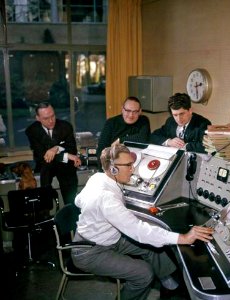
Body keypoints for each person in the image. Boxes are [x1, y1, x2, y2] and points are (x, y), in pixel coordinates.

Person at [71, 144, 214, 300]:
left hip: (108, 239)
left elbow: (78, 201)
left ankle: (170, 285)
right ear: (113, 169)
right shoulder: (106, 197)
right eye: (128, 165)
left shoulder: (97, 177)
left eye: (132, 164)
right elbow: (139, 231)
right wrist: (184, 238)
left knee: (152, 249)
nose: (133, 169)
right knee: (143, 273)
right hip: (89, 251)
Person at [25, 102, 81, 205]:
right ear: (38, 118)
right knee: (46, 171)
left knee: (70, 190)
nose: (51, 121)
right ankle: (46, 209)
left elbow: (72, 150)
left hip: (65, 168)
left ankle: (71, 210)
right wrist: (66, 155)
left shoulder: (66, 126)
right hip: (46, 166)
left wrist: (56, 148)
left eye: (53, 116)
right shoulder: (32, 131)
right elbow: (44, 155)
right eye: (46, 118)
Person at [96, 96, 151, 170]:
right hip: (114, 167)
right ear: (122, 109)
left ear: (140, 111)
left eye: (135, 111)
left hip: (138, 165)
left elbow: (143, 138)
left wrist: (120, 140)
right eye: (128, 111)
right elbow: (101, 151)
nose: (131, 115)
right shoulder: (111, 123)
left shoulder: (144, 120)